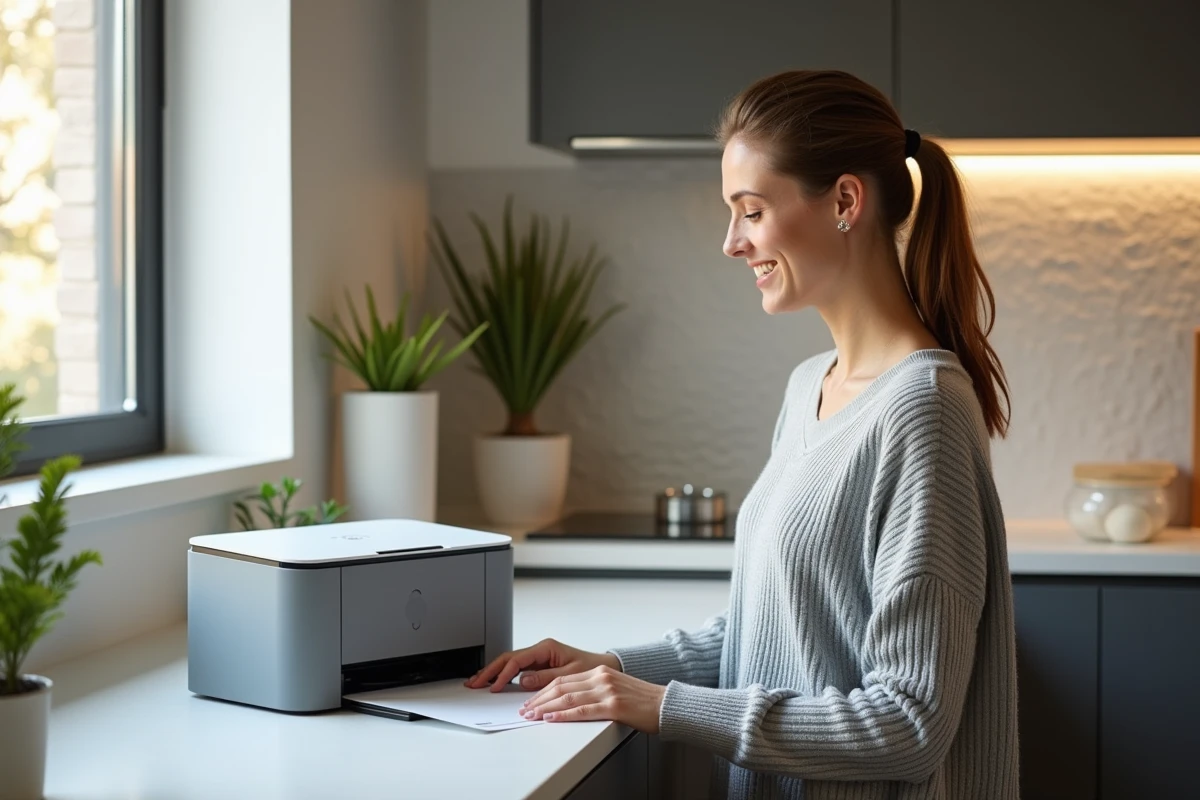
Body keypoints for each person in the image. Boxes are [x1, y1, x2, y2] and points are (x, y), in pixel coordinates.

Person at [466, 68, 1019, 800]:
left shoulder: (922, 410)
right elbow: (771, 638)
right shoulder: (807, 388)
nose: (732, 243)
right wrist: (609, 666)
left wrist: (659, 707)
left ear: (846, 201)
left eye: (751, 211)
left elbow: (908, 724)